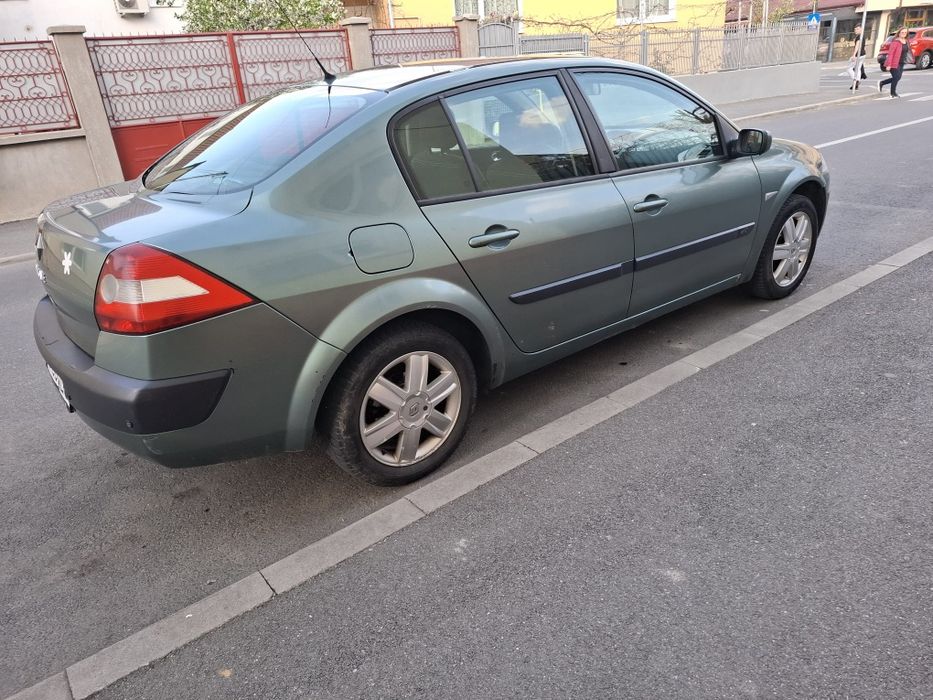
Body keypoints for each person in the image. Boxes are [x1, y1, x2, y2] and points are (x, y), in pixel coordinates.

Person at [878, 27, 910, 98]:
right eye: (902, 32)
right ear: (899, 33)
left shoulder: (906, 41)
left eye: (905, 32)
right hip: (894, 63)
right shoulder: (895, 42)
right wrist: (888, 65)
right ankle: (893, 93)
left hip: (901, 62)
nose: (904, 34)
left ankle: (882, 83)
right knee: (896, 77)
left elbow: (907, 51)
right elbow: (890, 54)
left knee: (898, 78)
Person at [848, 24, 868, 90]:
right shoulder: (863, 36)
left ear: (861, 29)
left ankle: (856, 80)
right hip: (863, 54)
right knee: (858, 68)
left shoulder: (859, 37)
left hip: (858, 55)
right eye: (855, 29)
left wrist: (854, 55)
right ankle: (857, 82)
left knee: (849, 68)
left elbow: (857, 46)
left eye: (857, 29)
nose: (855, 30)